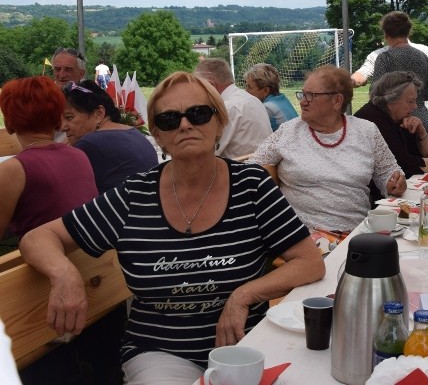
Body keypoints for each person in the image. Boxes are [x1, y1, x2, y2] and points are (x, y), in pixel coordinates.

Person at [19, 71, 325, 385]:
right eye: (168, 120)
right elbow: (38, 237)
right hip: (160, 353)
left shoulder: (251, 186)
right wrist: (64, 273)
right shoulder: (135, 195)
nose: (184, 125)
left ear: (219, 122)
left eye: (198, 113)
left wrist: (243, 296)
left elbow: (309, 262)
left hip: (245, 346)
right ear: (157, 135)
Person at [251, 66, 407, 235]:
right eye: (303, 94)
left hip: (354, 234)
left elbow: (389, 172)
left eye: (311, 95)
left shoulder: (366, 131)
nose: (302, 101)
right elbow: (252, 169)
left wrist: (394, 182)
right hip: (302, 237)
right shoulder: (288, 131)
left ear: (337, 101)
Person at [0, 76, 98, 238]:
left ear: (9, 125)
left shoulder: (14, 169)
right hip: (89, 257)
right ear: (58, 121)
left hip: (41, 259)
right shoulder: (79, 156)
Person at [62, 79, 158, 194]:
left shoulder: (89, 144)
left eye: (69, 117)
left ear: (98, 113)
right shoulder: (134, 133)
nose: (63, 127)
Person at [350, 13, 428, 110]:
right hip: (416, 113)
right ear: (409, 32)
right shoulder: (423, 52)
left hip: (393, 116)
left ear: (385, 34)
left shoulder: (380, 56)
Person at [354, 71, 428, 178]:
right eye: (411, 101)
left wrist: (421, 133)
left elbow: (425, 155)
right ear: (390, 102)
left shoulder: (398, 118)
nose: (415, 106)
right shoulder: (373, 120)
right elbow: (405, 165)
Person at [371, 12, 428, 142]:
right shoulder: (423, 57)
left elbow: (375, 96)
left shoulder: (385, 58)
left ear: (386, 34)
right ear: (408, 32)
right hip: (421, 120)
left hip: (395, 124)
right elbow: (426, 95)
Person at [195, 58, 272, 160]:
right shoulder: (254, 100)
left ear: (211, 85)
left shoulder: (227, 108)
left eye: (198, 86)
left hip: (240, 171)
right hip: (262, 168)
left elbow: (207, 153)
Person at [243, 63, 298, 131]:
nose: (246, 91)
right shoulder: (283, 99)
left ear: (266, 90)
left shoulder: (267, 108)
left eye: (249, 87)